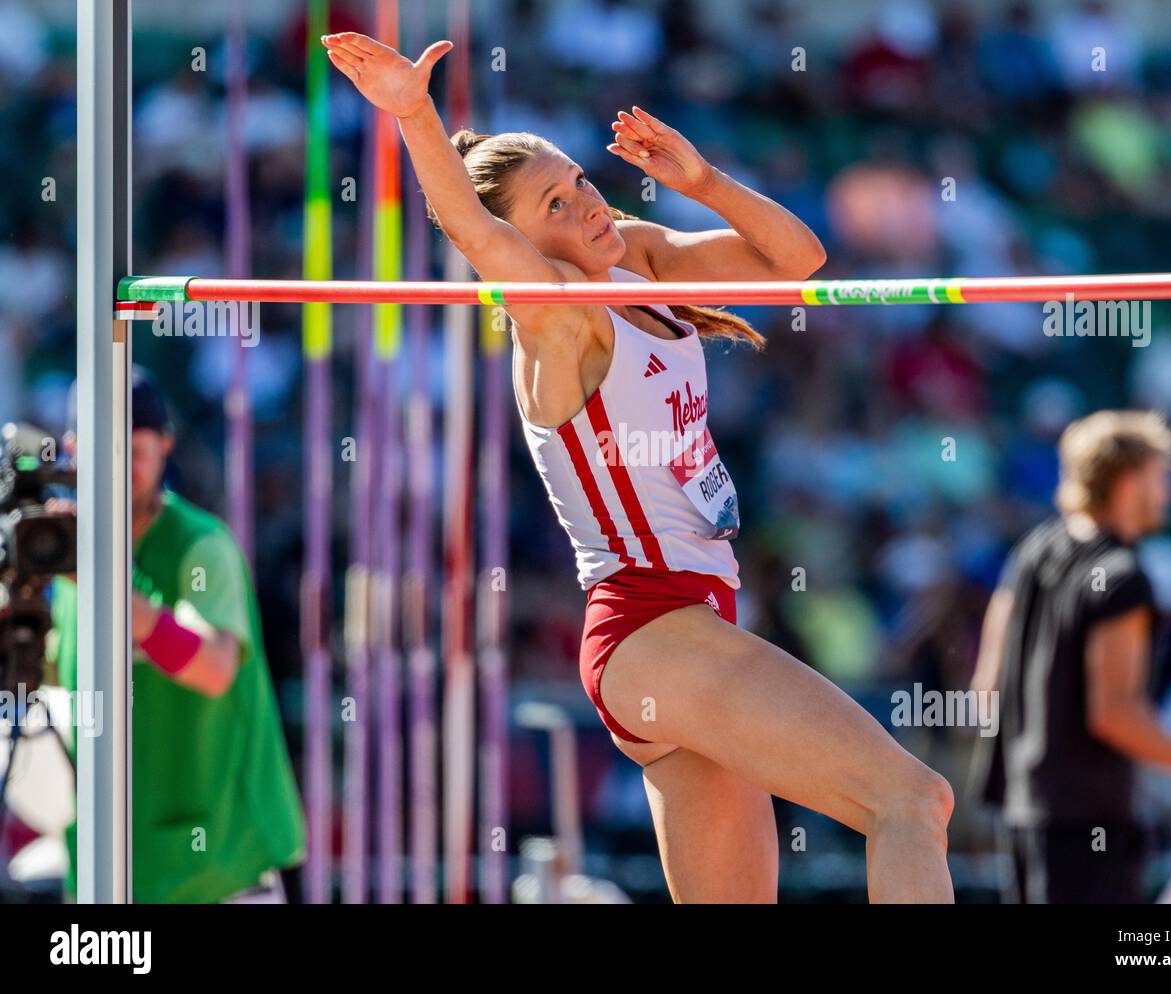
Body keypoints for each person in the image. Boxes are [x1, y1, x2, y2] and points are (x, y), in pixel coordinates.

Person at [324, 31, 955, 903]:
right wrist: (414, 114)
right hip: (648, 627)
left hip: (691, 624)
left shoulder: (641, 254)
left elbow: (798, 259)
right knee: (912, 800)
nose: (585, 204)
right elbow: (470, 228)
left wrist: (704, 184)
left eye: (578, 180)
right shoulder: (555, 317)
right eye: (553, 206)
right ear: (528, 246)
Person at [970, 410, 1171, 903]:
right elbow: (1114, 713)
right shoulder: (1122, 577)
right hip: (1090, 824)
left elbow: (985, 689)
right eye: (1160, 477)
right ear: (1128, 482)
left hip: (1023, 813)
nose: (1167, 494)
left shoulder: (1031, 552)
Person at [51, 366, 305, 903]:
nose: (119, 468)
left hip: (221, 872)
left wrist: (107, 588)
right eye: (102, 451)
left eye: (133, 452)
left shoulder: (200, 545)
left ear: (165, 445)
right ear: (73, 449)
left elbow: (212, 669)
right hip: (120, 877)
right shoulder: (67, 556)